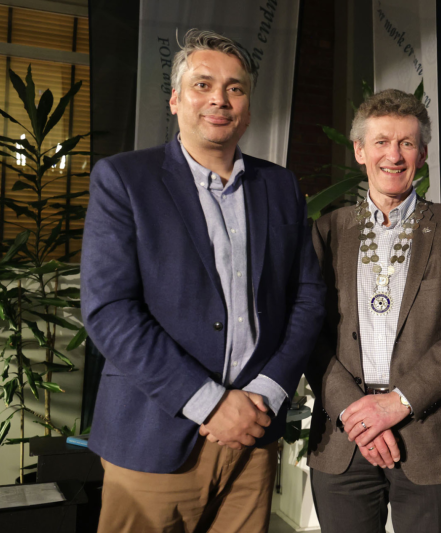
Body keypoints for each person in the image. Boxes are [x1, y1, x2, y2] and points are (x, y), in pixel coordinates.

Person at [81, 29, 325, 533]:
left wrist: (268, 391)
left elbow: (306, 296)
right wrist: (210, 403)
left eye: (235, 88)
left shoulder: (279, 185)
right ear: (175, 99)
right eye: (203, 84)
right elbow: (110, 310)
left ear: (249, 109)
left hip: (254, 436)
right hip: (156, 435)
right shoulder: (124, 180)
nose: (220, 99)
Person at [305, 89, 441, 533]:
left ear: (423, 154)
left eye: (406, 143)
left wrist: (398, 403)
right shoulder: (327, 231)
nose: (394, 155)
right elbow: (309, 332)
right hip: (344, 438)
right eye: (382, 142)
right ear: (360, 150)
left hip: (430, 435)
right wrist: (357, 412)